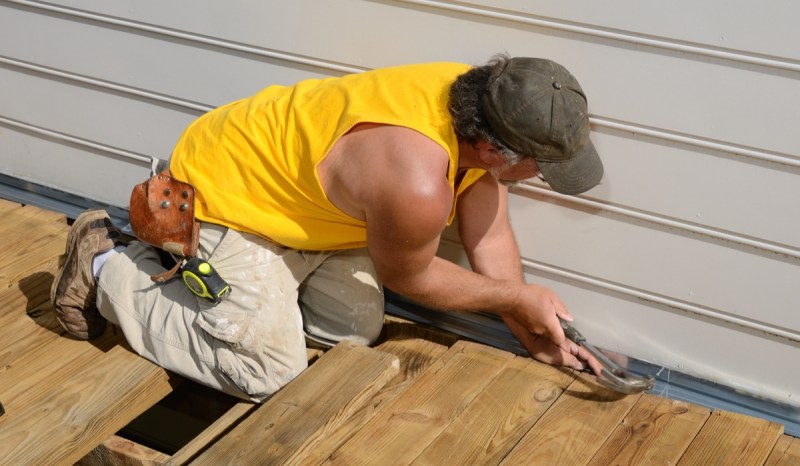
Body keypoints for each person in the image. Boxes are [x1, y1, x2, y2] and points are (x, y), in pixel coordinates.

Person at [51, 55, 604, 402]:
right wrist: (516, 297)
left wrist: (524, 322)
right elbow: (410, 277)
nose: (540, 178)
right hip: (228, 196)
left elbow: (492, 233)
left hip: (301, 206)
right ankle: (105, 265)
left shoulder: (476, 102)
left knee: (350, 333)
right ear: (493, 148)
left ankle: (229, 300)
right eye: (539, 166)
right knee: (267, 370)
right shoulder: (415, 181)